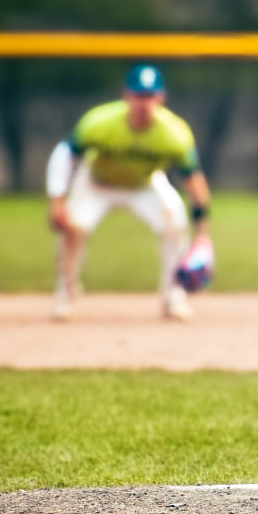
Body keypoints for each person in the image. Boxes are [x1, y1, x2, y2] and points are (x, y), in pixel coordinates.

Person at [45, 64, 213, 321]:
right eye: (138, 95)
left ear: (161, 97)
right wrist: (58, 201)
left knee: (175, 222)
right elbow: (65, 154)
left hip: (144, 185)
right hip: (97, 183)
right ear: (127, 95)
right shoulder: (100, 122)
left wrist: (203, 234)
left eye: (150, 95)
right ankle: (65, 295)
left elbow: (194, 181)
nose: (144, 103)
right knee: (73, 227)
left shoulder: (174, 132)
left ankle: (174, 298)